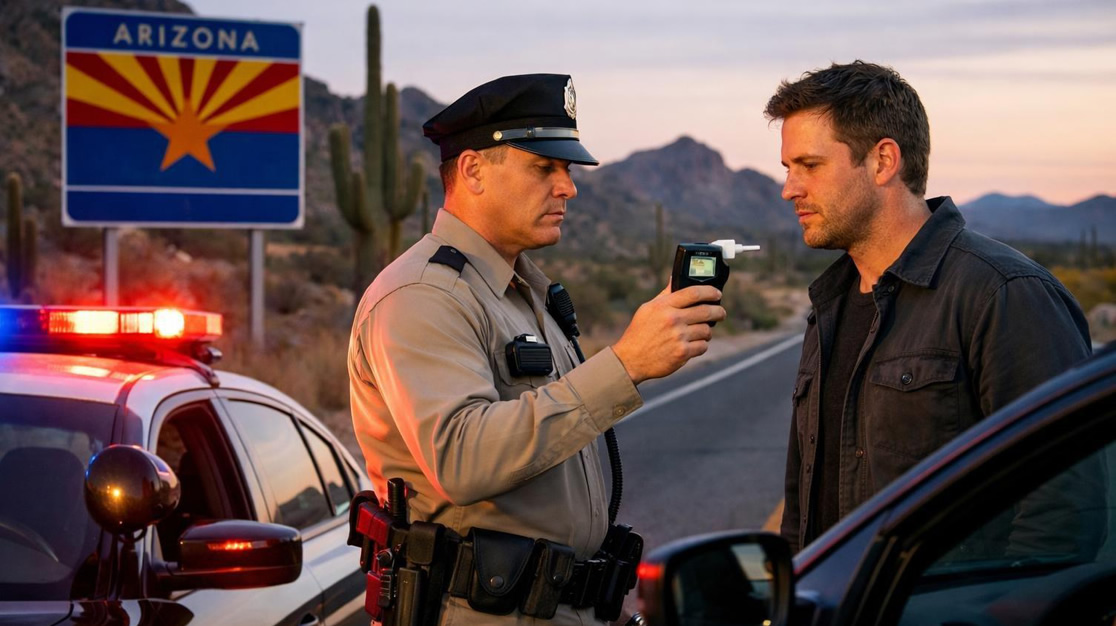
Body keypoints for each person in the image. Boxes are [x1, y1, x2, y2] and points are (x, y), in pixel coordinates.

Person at [349, 73, 725, 625]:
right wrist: (625, 366)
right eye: (543, 167)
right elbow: (463, 458)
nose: (567, 187)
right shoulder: (423, 295)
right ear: (473, 170)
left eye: (566, 170)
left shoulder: (523, 289)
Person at [765, 61, 1095, 553]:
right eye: (789, 169)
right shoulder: (828, 306)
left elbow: (1062, 513)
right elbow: (805, 505)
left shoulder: (1002, 294)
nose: (789, 188)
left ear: (882, 161)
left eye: (809, 166)